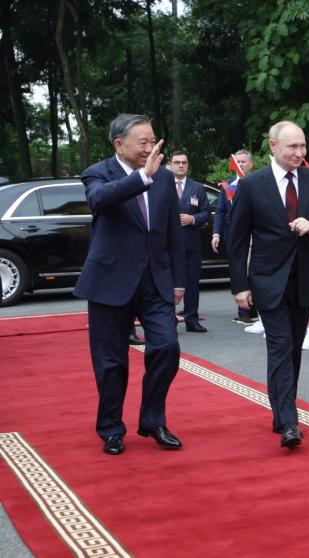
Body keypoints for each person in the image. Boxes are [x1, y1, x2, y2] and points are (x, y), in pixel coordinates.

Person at [75, 113, 186, 455]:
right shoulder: (98, 173)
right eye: (143, 142)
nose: (150, 148)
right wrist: (141, 177)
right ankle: (111, 428)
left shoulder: (165, 179)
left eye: (153, 141)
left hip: (155, 280)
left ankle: (152, 420)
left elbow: (171, 232)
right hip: (111, 281)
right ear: (119, 144)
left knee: (167, 347)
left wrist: (179, 281)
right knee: (111, 362)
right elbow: (99, 200)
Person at [227, 121, 309, 449]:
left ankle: (280, 411)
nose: (299, 153)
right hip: (267, 279)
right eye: (292, 147)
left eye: (302, 146)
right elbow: (237, 239)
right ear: (273, 147)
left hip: (305, 278)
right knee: (279, 345)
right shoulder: (252, 185)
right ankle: (290, 421)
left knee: (292, 348)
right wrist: (240, 286)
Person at [213, 149, 259, 325]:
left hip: (253, 236)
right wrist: (216, 233)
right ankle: (244, 312)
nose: (240, 165)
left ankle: (256, 311)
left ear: (251, 164)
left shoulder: (257, 183)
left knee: (253, 272)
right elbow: (220, 211)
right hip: (233, 237)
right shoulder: (227, 185)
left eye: (243, 162)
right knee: (238, 270)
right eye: (237, 162)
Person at [170, 150, 209, 333]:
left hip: (191, 244)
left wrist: (191, 219)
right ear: (170, 164)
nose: (180, 165)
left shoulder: (197, 188)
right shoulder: (161, 185)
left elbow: (205, 213)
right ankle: (169, 319)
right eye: (177, 162)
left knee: (192, 282)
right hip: (167, 245)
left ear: (188, 165)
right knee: (168, 283)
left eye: (183, 162)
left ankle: (191, 319)